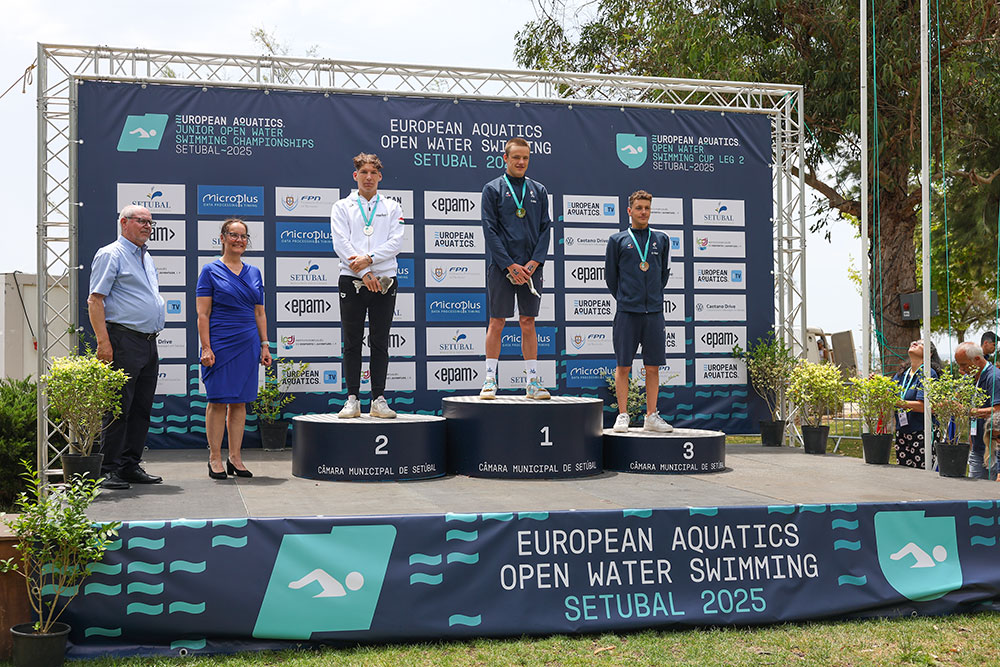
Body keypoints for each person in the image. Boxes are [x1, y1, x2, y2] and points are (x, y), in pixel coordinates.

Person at [87, 205, 165, 490]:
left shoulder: (146, 257)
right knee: (118, 408)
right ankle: (108, 469)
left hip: (148, 341)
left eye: (150, 222)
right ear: (124, 222)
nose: (147, 226)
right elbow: (95, 300)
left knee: (142, 408)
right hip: (123, 339)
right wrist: (103, 342)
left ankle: (129, 465)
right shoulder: (111, 254)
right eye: (141, 221)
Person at [330, 153, 405, 419]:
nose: (369, 177)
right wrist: (364, 272)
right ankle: (352, 399)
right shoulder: (342, 206)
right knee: (351, 342)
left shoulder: (393, 207)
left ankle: (378, 399)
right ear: (356, 176)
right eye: (364, 173)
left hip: (384, 281)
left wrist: (370, 261)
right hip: (352, 280)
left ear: (380, 176)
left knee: (380, 341)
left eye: (373, 173)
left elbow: (397, 242)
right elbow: (341, 243)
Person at [196, 219, 271, 480]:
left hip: (248, 342)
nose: (239, 240)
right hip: (220, 343)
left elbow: (259, 312)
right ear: (222, 238)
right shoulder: (210, 270)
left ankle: (235, 457)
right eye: (234, 235)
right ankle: (214, 458)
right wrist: (206, 347)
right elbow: (202, 314)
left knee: (240, 402)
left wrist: (264, 344)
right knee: (218, 401)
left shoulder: (254, 272)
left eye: (243, 236)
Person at [479, 137, 552, 400]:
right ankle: (489, 381)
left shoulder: (539, 190)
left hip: (531, 268)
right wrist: (509, 264)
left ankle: (532, 383)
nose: (521, 162)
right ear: (505, 159)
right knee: (497, 321)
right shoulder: (492, 189)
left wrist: (533, 263)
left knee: (528, 322)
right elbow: (490, 230)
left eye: (525, 158)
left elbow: (546, 228)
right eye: (516, 157)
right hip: (502, 267)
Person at [605, 190, 673, 433]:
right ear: (629, 210)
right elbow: (611, 278)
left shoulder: (662, 239)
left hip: (653, 312)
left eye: (647, 208)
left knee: (653, 366)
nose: (643, 212)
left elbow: (662, 275)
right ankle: (622, 415)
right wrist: (627, 299)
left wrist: (650, 297)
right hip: (627, 312)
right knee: (623, 366)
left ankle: (651, 416)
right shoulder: (617, 240)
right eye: (639, 208)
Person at [892, 339, 940, 468]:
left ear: (929, 353)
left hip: (921, 433)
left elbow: (924, 406)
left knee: (922, 474)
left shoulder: (928, 373)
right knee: (904, 473)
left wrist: (899, 403)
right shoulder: (902, 374)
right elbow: (889, 394)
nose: (914, 343)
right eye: (914, 341)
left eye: (921, 343)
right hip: (902, 432)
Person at [956, 341, 1000, 479]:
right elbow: (957, 399)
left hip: (994, 447)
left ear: (977, 359)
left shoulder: (994, 377)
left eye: (964, 365)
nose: (962, 369)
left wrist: (970, 412)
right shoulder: (969, 377)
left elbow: (997, 410)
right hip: (976, 446)